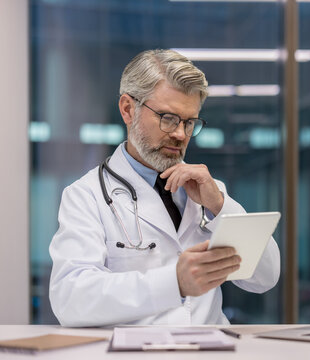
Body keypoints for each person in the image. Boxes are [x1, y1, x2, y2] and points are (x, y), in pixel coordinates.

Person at [49, 49, 280, 327]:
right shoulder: (87, 195)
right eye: (168, 118)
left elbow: (265, 277)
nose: (180, 134)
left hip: (211, 350)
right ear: (127, 109)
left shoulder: (209, 192)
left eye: (190, 122)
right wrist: (174, 283)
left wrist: (220, 205)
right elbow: (71, 299)